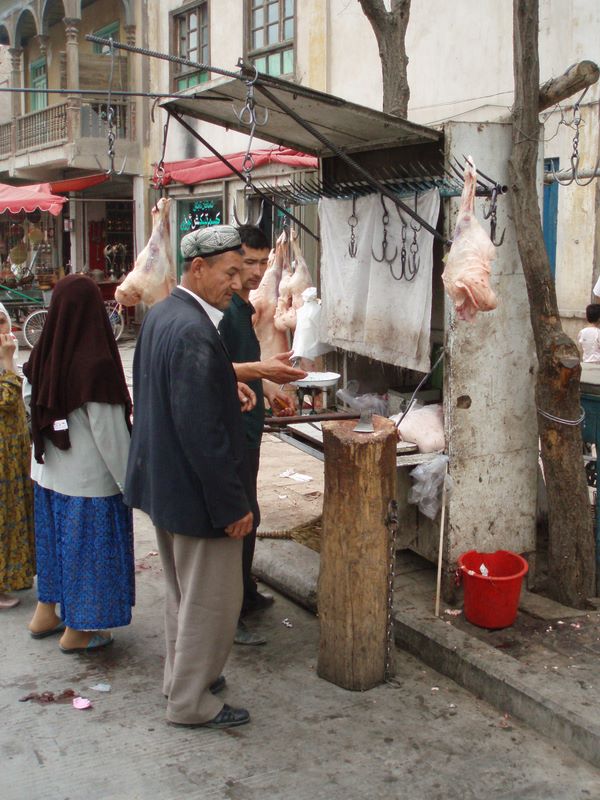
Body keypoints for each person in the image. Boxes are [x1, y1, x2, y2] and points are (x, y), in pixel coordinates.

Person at [124, 225, 255, 730]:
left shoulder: (164, 314)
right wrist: (233, 505)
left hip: (165, 485)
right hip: (197, 495)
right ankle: (191, 702)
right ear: (198, 269)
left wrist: (225, 386)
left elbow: (173, 395)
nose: (237, 285)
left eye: (241, 273)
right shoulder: (193, 330)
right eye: (230, 273)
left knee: (184, 595)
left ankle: (181, 680)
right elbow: (202, 434)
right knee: (210, 604)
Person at [23, 275, 134, 651]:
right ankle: (79, 633)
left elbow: (31, 403)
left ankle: (45, 613)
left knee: (56, 550)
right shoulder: (96, 363)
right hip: (87, 483)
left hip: (47, 475)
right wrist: (131, 484)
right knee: (87, 558)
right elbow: (110, 435)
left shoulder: (43, 352)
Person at [219, 225, 307, 645]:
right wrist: (263, 374)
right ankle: (228, 611)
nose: (255, 272)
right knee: (236, 517)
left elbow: (245, 366)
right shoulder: (223, 311)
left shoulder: (243, 307)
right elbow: (215, 370)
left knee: (250, 511)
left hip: (249, 426)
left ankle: (246, 592)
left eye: (260, 262)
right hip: (230, 428)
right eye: (247, 262)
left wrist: (270, 390)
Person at [0, 303, 35, 609]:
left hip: (12, 450)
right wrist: (8, 361)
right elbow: (7, 400)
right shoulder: (4, 360)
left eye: (3, 322)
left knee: (14, 513)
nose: (4, 330)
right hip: (3, 453)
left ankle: (13, 576)